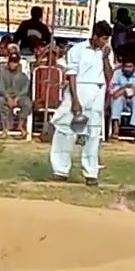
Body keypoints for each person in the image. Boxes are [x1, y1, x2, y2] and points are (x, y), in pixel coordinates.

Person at [49, 21, 113, 185]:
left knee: (93, 134)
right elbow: (72, 75)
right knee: (66, 131)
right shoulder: (77, 50)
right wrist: (75, 100)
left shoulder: (105, 51)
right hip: (79, 90)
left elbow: (109, 74)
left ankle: (91, 172)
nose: (104, 42)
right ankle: (60, 170)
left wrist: (105, 57)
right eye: (103, 39)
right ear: (95, 36)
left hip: (97, 92)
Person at [109, 54, 135, 137]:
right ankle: (115, 128)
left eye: (130, 67)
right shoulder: (117, 73)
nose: (127, 69)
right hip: (121, 99)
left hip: (134, 99)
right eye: (125, 67)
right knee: (117, 99)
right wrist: (128, 88)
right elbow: (114, 92)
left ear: (134, 66)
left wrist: (124, 89)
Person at [0, 52, 33, 135]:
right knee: (0, 101)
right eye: (11, 62)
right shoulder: (3, 74)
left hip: (19, 97)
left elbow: (25, 89)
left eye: (15, 62)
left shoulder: (23, 76)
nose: (13, 64)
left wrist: (17, 98)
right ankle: (5, 128)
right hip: (6, 97)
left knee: (27, 103)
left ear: (18, 63)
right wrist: (8, 97)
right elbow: (1, 88)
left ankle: (21, 124)